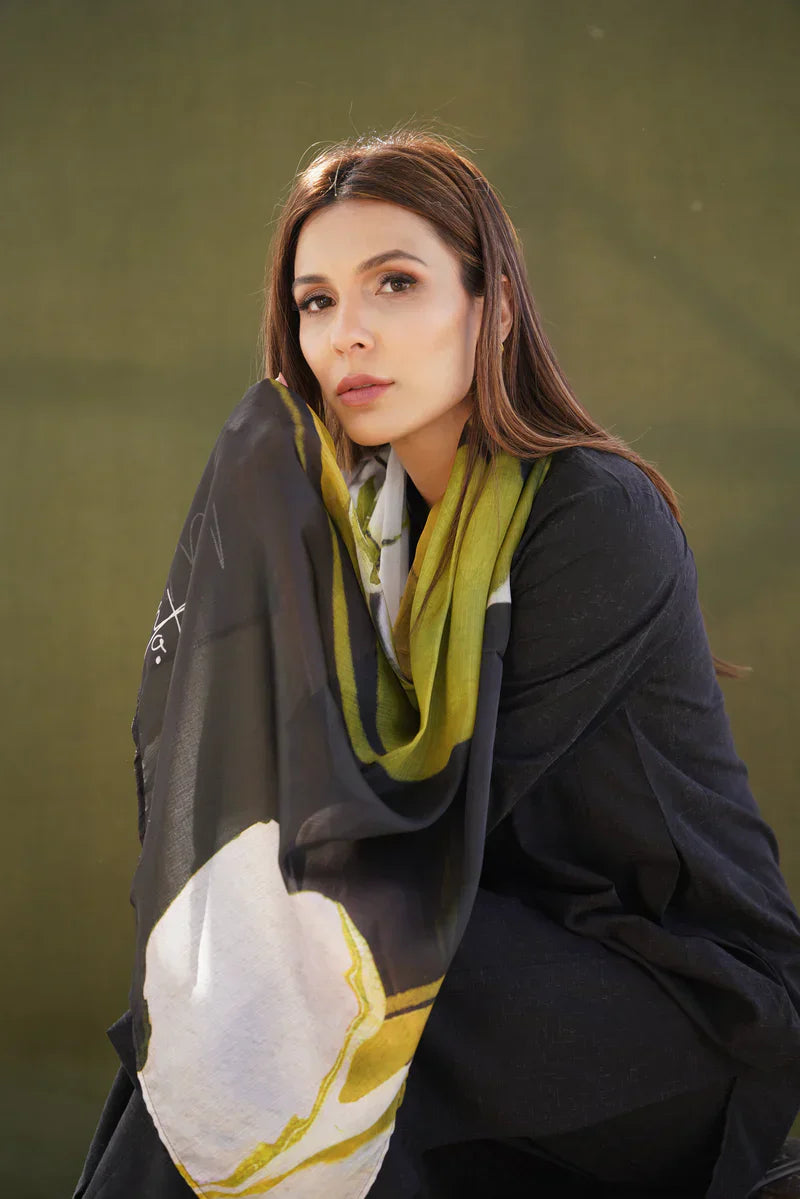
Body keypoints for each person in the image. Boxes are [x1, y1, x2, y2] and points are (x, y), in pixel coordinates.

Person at [74, 128, 800, 1199]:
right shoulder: (350, 530)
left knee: (303, 990)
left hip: (672, 1000)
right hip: (484, 958)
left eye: (395, 283)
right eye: (315, 301)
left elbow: (411, 826)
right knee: (233, 1004)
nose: (347, 334)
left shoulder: (590, 513)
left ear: (491, 305)